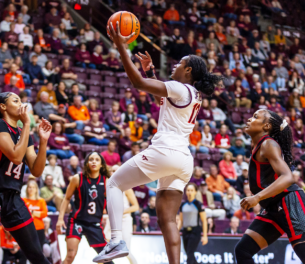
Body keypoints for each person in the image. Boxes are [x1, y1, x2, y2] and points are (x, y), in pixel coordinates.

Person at [94, 26, 223, 263]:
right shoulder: (193, 94)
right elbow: (160, 97)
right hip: (183, 160)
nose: (174, 66)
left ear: (188, 69)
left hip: (165, 151)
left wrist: (122, 47)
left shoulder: (179, 87)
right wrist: (150, 71)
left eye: (179, 63)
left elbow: (138, 84)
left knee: (113, 183)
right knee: (167, 220)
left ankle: (115, 240)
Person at [234, 109, 305, 264]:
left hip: (291, 202)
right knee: (243, 250)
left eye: (255, 117)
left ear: (266, 126)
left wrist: (257, 197)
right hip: (274, 207)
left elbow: (288, 177)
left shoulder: (268, 144)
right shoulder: (258, 146)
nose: (249, 119)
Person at [0, 92, 52, 264]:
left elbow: (37, 171)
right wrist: (28, 123)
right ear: (3, 106)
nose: (21, 103)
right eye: (16, 100)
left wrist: (43, 142)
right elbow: (16, 156)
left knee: (37, 255)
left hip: (13, 197)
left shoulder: (25, 134)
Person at [56, 152, 113, 264]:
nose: (94, 162)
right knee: (70, 256)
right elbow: (66, 198)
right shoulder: (77, 178)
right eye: (91, 159)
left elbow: (111, 204)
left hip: (95, 224)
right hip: (77, 222)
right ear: (86, 163)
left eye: (97, 160)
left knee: (107, 259)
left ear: (101, 164)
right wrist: (60, 219)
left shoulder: (106, 181)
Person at [178, 183, 208, 264]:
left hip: (195, 231)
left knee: (190, 253)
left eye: (191, 190)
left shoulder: (198, 204)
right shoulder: (183, 205)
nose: (189, 192)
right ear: (186, 192)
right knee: (189, 253)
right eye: (188, 190)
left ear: (195, 192)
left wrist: (205, 236)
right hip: (185, 232)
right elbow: (181, 220)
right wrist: (177, 231)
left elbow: (204, 220)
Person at [23, 181, 48, 247]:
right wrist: (38, 213)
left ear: (36, 189)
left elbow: (44, 214)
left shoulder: (41, 201)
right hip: (27, 228)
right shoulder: (23, 200)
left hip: (39, 228)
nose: (31, 189)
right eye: (29, 187)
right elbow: (23, 214)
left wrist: (32, 212)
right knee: (27, 248)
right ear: (27, 189)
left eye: (33, 187)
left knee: (39, 249)